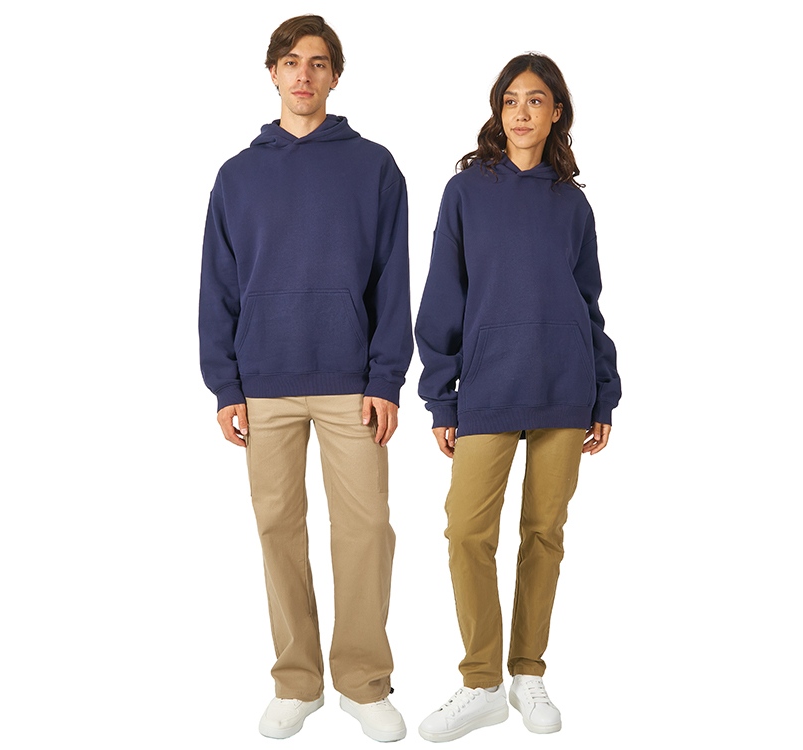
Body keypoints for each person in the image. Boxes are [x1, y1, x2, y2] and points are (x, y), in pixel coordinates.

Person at [198, 15, 412, 743]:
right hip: (264, 382)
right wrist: (226, 386)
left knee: (366, 532)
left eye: (318, 63)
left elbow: (393, 280)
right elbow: (218, 286)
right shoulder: (237, 176)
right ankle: (297, 682)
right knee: (278, 531)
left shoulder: (374, 167)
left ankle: (363, 682)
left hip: (353, 382)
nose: (304, 75)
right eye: (291, 62)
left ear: (335, 76)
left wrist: (386, 378)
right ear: (272, 73)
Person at [414, 52, 622, 742]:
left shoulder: (573, 204)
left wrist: (603, 392)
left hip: (564, 387)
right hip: (489, 387)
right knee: (467, 533)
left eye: (535, 100)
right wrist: (442, 396)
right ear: (497, 111)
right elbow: (443, 295)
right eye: (510, 100)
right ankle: (481, 683)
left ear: (556, 112)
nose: (522, 112)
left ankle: (527, 672)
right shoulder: (466, 193)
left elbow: (588, 303)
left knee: (543, 534)